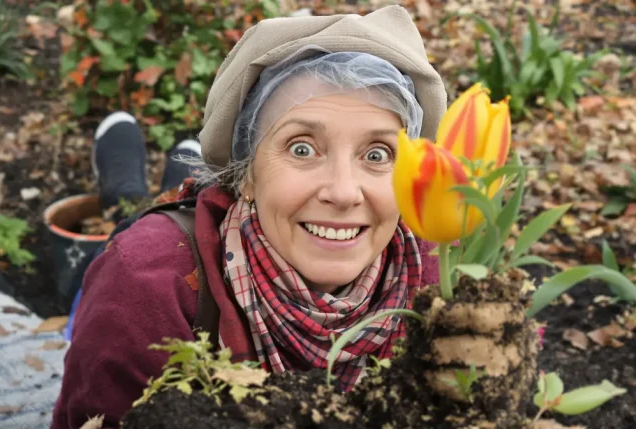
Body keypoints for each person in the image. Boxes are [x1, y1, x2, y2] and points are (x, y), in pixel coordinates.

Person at [52, 5, 448, 429]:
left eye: (377, 154)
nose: (343, 192)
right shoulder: (143, 287)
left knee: (179, 174)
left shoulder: (439, 276)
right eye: (302, 148)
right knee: (129, 208)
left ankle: (185, 159)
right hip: (159, 251)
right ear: (247, 174)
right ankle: (122, 164)